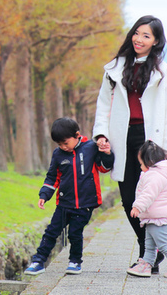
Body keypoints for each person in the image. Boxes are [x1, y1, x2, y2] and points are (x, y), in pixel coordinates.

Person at [92, 15, 167, 273]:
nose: (139, 39)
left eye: (146, 36)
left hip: (150, 140)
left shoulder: (162, 71)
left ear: (156, 41)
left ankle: (147, 257)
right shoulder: (115, 68)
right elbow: (103, 104)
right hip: (122, 136)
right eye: (136, 33)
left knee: (150, 199)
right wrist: (101, 134)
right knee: (129, 198)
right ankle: (150, 252)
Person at [24, 117, 114, 276]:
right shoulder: (58, 154)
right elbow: (52, 177)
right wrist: (44, 194)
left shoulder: (91, 148)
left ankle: (75, 261)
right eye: (59, 144)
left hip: (85, 204)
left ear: (77, 135)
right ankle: (38, 261)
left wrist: (107, 153)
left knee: (74, 233)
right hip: (64, 204)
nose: (63, 147)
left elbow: (104, 168)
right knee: (51, 232)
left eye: (65, 143)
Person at [127, 140, 167, 278]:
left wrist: (137, 207)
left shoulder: (155, 176)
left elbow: (148, 194)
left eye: (141, 164)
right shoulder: (156, 174)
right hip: (154, 217)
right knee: (150, 245)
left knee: (163, 245)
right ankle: (146, 265)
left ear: (149, 162)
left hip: (160, 219)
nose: (140, 167)